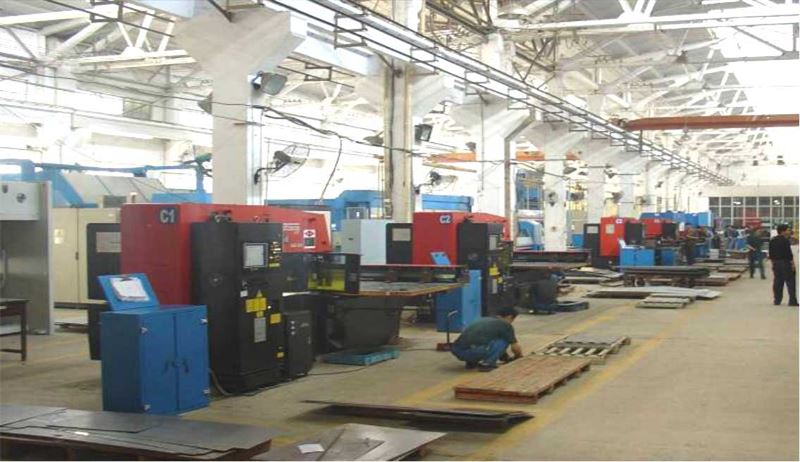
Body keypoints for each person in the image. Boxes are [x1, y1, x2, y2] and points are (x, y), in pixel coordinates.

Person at [451, 306, 523, 371]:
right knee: (504, 341)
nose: (511, 322)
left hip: (457, 351)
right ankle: (487, 364)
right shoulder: (505, 325)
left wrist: (506, 358)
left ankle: (471, 362)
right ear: (509, 317)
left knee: (484, 340)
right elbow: (515, 348)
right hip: (473, 352)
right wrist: (519, 356)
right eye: (512, 320)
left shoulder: (484, 319)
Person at [768, 224, 798, 306]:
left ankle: (777, 300)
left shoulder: (772, 240)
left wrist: (773, 264)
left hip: (776, 263)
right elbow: (788, 254)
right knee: (790, 282)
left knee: (778, 282)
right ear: (783, 231)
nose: (789, 231)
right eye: (788, 230)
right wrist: (792, 264)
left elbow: (771, 254)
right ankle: (792, 301)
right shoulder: (785, 241)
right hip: (785, 263)